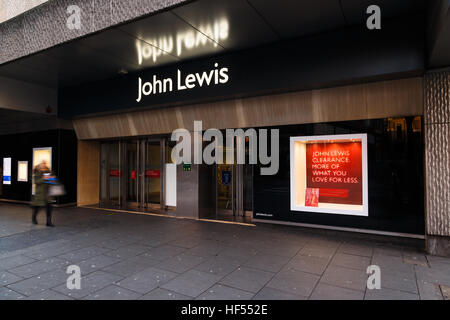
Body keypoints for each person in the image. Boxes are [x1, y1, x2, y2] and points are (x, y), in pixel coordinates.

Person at [31, 160, 54, 227]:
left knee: (49, 207)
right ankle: (34, 217)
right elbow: (36, 182)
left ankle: (48, 222)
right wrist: (43, 178)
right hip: (40, 194)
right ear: (40, 165)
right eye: (42, 163)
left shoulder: (48, 171)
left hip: (47, 194)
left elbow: (51, 181)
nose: (44, 164)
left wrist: (52, 179)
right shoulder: (36, 172)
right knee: (37, 207)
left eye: (45, 163)